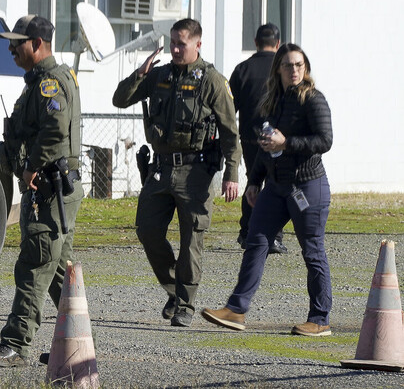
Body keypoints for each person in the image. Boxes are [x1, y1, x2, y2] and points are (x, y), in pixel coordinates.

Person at [111, 18, 240, 327]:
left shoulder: (212, 81)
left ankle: (185, 304)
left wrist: (232, 173)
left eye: (182, 43)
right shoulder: (159, 75)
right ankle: (174, 288)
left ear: (198, 44)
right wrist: (140, 73)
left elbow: (229, 131)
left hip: (196, 171)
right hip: (161, 167)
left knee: (191, 239)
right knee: (147, 230)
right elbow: (120, 99)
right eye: (172, 42)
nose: (175, 49)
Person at [202, 44, 334, 336]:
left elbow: (324, 141)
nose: (294, 70)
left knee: (312, 251)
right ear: (279, 70)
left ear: (306, 67)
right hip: (275, 187)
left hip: (307, 187)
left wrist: (287, 142)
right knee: (255, 240)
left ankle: (320, 318)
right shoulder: (273, 101)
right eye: (288, 65)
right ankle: (236, 310)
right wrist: (254, 181)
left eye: (299, 64)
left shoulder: (313, 99)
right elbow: (266, 147)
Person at [0, 14, 82, 367]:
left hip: (50, 188)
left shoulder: (50, 82)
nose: (11, 49)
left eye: (17, 43)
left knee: (34, 266)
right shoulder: (41, 79)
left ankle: (16, 345)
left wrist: (32, 165)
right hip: (51, 187)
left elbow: (54, 130)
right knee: (57, 272)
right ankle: (77, 344)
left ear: (37, 44)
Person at [229, 23, 287, 254]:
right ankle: (274, 236)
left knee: (253, 182)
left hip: (251, 138)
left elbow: (229, 107)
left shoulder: (243, 69)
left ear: (255, 42)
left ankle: (246, 233)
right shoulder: (284, 69)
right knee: (277, 184)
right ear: (278, 43)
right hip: (278, 139)